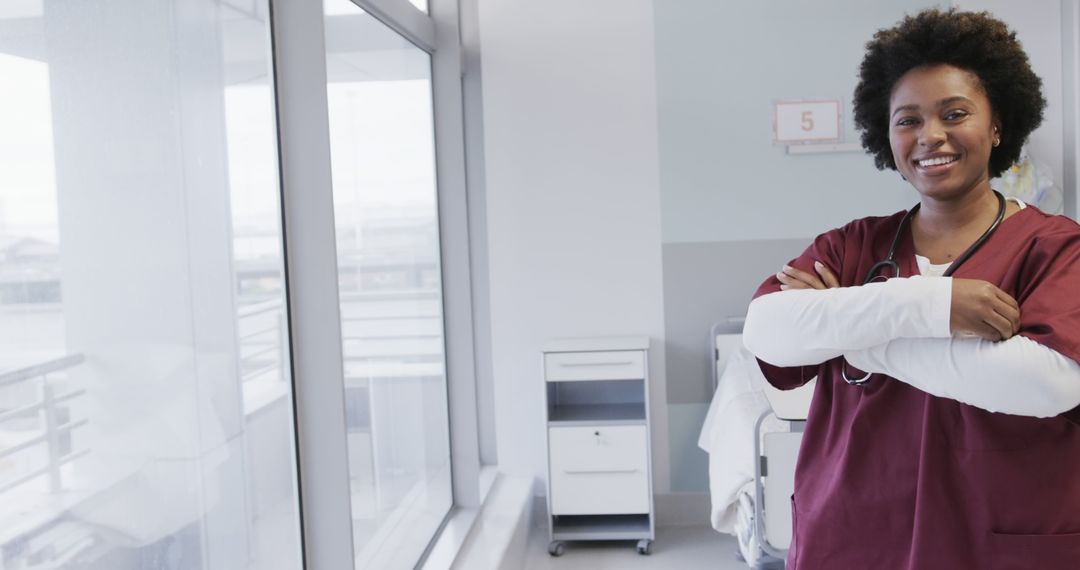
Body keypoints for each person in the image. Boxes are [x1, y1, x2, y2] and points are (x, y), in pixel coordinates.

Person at [741, 9, 1080, 569]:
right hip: (855, 533)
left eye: (955, 113)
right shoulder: (853, 245)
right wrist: (932, 304)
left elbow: (1045, 381)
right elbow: (768, 331)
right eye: (908, 120)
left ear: (998, 126)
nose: (931, 137)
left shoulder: (1056, 248)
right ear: (886, 135)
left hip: (998, 537)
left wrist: (853, 334)